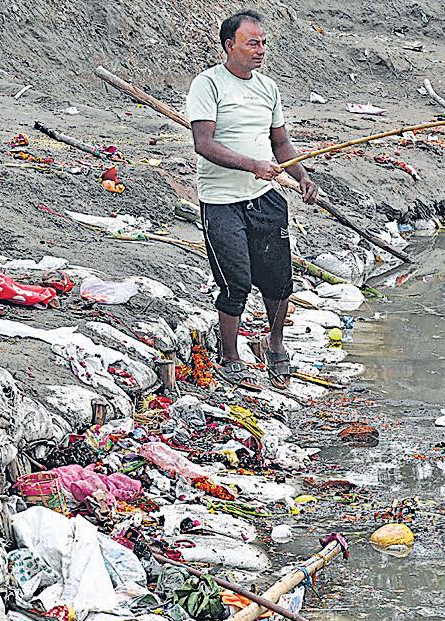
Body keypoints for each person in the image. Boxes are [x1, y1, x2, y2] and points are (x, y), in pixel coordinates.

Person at [185, 9, 318, 390]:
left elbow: (280, 142)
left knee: (279, 281)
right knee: (236, 282)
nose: (260, 50)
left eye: (263, 43)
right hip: (222, 202)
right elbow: (203, 143)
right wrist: (252, 165)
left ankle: (275, 345)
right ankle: (230, 358)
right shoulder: (208, 84)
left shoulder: (267, 88)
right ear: (230, 45)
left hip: (264, 198)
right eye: (252, 43)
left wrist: (302, 176)